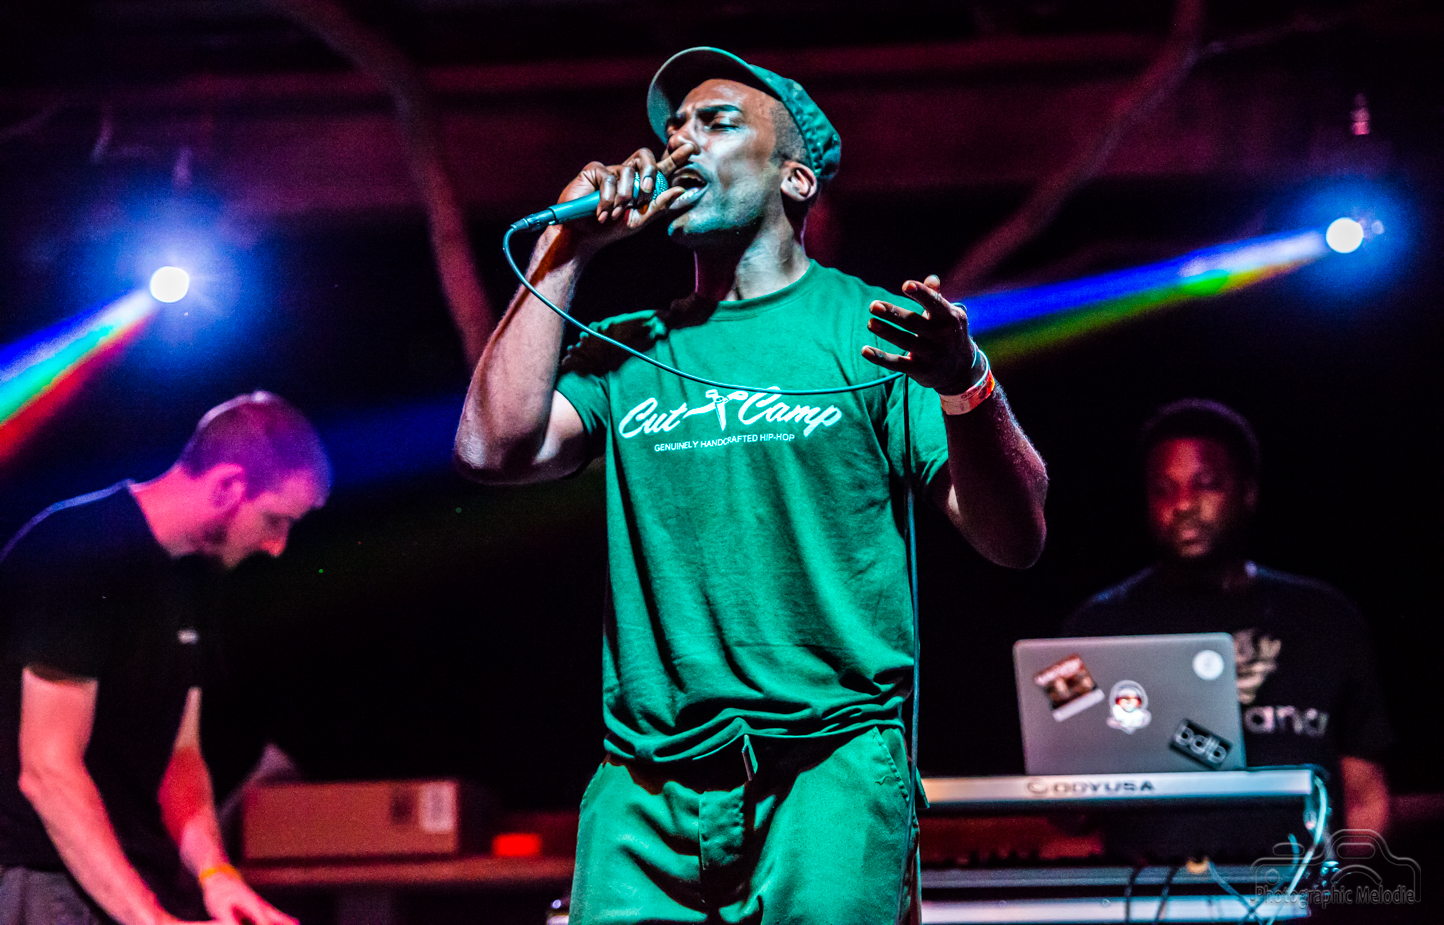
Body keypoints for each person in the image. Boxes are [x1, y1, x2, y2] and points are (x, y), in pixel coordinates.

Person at [455, 47, 1048, 924]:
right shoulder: (629, 347)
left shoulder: (870, 329)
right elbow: (489, 447)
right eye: (674, 129)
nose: (680, 143)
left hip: (826, 776)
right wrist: (567, 247)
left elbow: (1015, 536)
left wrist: (967, 383)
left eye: (717, 123)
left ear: (795, 179)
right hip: (645, 785)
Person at [0, 392, 331, 925]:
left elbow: (181, 758)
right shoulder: (77, 551)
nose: (277, 547)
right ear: (227, 487)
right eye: (275, 520)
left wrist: (216, 876)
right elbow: (48, 771)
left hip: (130, 875)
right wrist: (148, 918)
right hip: (40, 876)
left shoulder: (193, 578)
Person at [1061, 399, 1392, 833]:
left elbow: (1364, 798)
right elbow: (1068, 809)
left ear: (1248, 493)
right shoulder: (1097, 628)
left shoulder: (1325, 619)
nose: (1183, 504)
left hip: (1296, 875)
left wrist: (1336, 878)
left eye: (1206, 484)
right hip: (1147, 875)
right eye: (1163, 489)